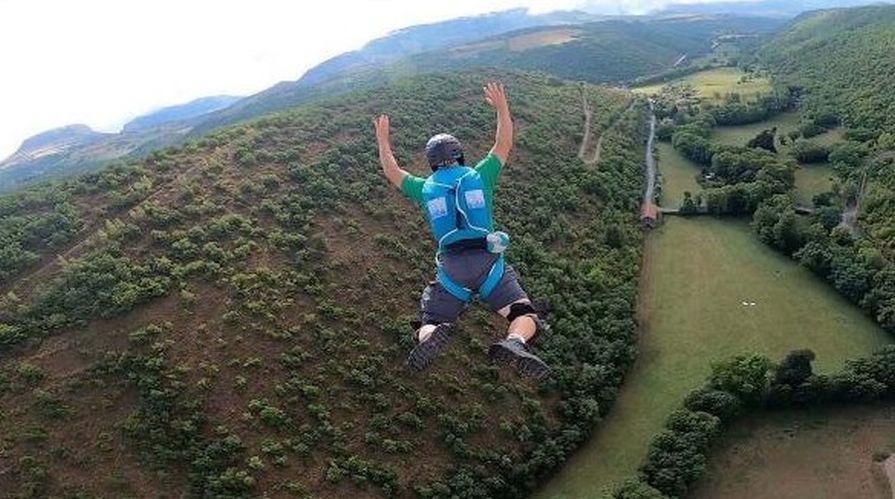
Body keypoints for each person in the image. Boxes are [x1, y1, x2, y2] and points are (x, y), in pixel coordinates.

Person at [373, 81, 551, 379]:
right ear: (460, 155)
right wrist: (502, 107)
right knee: (524, 313)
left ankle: (430, 335)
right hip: (489, 262)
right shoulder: (479, 175)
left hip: (452, 270)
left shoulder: (425, 187)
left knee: (429, 319)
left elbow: (393, 171)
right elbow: (503, 143)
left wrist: (382, 139)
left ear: (431, 163)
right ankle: (515, 342)